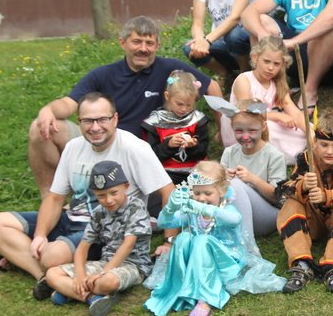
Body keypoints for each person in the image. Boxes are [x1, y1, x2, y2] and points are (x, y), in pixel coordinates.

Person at [0, 93, 173, 294]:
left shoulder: (134, 148)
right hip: (70, 216)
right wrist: (40, 235)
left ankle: (25, 257)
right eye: (88, 121)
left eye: (102, 119)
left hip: (103, 230)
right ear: (79, 122)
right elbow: (55, 198)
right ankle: (42, 276)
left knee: (51, 256)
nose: (95, 127)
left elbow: (168, 191)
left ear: (115, 119)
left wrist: (169, 241)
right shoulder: (73, 147)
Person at [27, 16, 217, 198]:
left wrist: (222, 131)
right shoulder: (103, 74)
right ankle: (52, 197)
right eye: (137, 42)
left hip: (144, 152)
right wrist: (48, 110)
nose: (143, 48)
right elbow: (69, 104)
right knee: (40, 128)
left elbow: (212, 86)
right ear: (122, 43)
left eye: (149, 43)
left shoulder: (169, 68)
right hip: (102, 140)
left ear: (157, 46)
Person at [143, 161, 285, 316]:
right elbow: (164, 223)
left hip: (226, 261)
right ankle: (180, 286)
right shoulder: (192, 212)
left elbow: (235, 219)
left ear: (222, 191)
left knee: (202, 241)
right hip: (198, 262)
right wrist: (170, 208)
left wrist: (206, 209)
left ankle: (206, 297)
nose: (201, 198)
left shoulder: (226, 209)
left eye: (207, 193)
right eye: (197, 193)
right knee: (183, 238)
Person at [43, 160, 153, 316]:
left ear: (126, 187)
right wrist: (80, 275)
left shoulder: (136, 207)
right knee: (52, 273)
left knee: (109, 281)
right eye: (101, 195)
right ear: (94, 194)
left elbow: (128, 245)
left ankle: (69, 291)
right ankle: (92, 298)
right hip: (105, 262)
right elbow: (82, 248)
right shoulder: (98, 212)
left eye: (114, 193)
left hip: (133, 265)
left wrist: (103, 273)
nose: (108, 200)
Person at [276, 109, 333, 294]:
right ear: (314, 142)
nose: (330, 151)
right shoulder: (307, 158)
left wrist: (327, 195)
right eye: (324, 145)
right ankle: (301, 263)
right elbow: (288, 187)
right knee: (291, 203)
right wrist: (303, 185)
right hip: (312, 221)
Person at [220, 35, 307, 164]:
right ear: (255, 57)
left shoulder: (277, 83)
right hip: (244, 124)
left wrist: (309, 131)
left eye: (276, 64)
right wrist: (277, 116)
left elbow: (293, 111)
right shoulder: (244, 80)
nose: (271, 68)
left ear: (282, 65)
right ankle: (291, 154)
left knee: (300, 127)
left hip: (265, 120)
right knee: (267, 128)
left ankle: (305, 145)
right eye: (266, 61)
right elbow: (246, 111)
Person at [221, 101, 286, 237]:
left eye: (252, 130)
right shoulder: (229, 152)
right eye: (239, 131)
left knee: (236, 184)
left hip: (267, 216)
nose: (245, 136)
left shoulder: (274, 156)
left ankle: (247, 242)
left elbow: (278, 197)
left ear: (263, 127)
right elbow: (217, 192)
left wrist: (253, 179)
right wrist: (223, 180)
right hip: (234, 214)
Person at [141, 70, 210, 185]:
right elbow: (150, 156)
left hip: (196, 171)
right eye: (179, 104)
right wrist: (168, 145)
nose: (184, 109)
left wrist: (193, 146)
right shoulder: (155, 122)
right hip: (165, 173)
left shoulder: (197, 120)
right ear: (167, 96)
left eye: (189, 105)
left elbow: (203, 151)